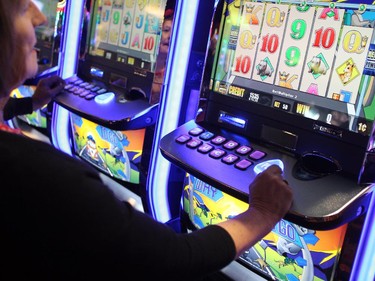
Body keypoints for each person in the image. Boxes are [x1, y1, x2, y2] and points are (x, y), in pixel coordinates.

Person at [0, 1, 293, 280]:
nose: (41, 20)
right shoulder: (38, 172)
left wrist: (26, 104)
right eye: (25, 9)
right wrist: (262, 214)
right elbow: (173, 260)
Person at [150, 8, 174, 105]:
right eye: (166, 30)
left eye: (174, 32)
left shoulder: (174, 73)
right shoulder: (143, 63)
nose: (170, 36)